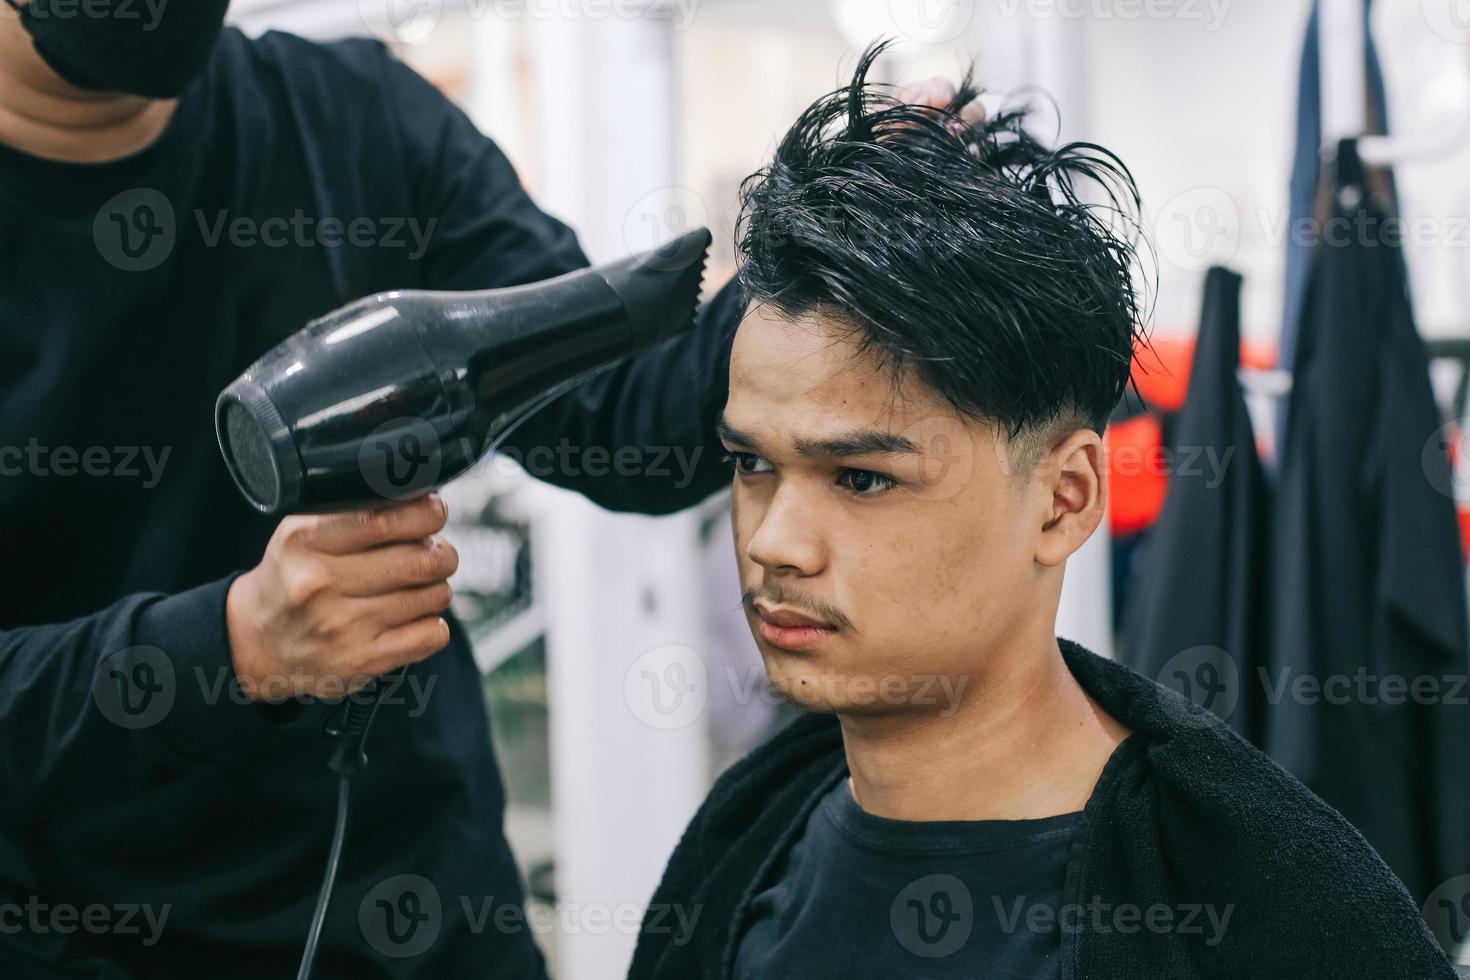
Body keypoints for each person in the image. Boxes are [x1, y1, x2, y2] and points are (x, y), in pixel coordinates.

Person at [0, 4, 983, 977]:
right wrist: (229, 647)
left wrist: (820, 249)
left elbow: (619, 416)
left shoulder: (353, 117)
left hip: (426, 914)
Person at [628, 44, 1458, 980]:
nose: (771, 543)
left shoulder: (1269, 919)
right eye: (750, 465)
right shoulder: (741, 850)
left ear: (1064, 500)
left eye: (860, 478)